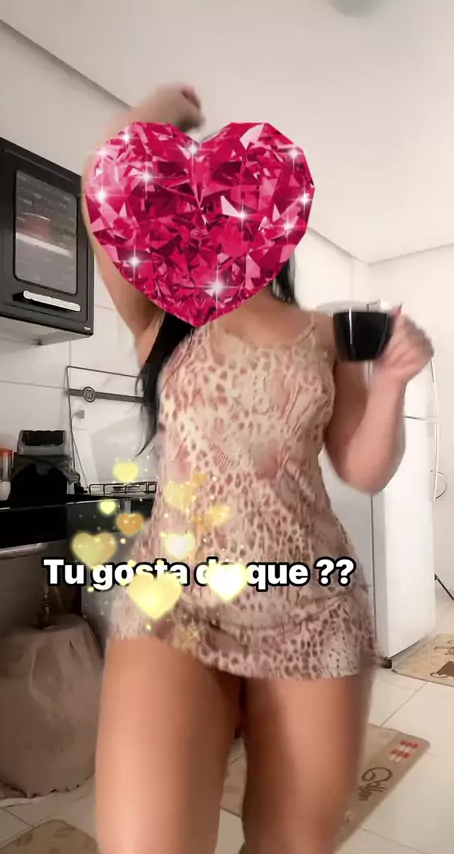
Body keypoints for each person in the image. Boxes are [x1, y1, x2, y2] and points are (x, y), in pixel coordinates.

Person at [82, 85, 434, 854]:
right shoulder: (159, 318)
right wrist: (155, 111)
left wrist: (393, 385)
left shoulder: (324, 333)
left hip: (310, 603)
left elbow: (362, 467)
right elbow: (104, 187)